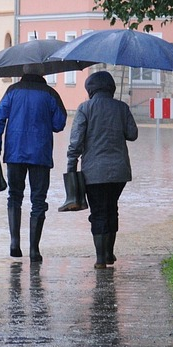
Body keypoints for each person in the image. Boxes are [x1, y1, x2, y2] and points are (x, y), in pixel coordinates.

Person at [0, 65, 67, 261]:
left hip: (15, 154)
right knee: (38, 201)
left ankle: (15, 242)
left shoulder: (12, 92)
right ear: (42, 73)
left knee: (14, 196)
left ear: (22, 72)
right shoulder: (50, 94)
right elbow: (59, 124)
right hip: (41, 154)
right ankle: (34, 249)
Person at [66, 70, 139, 269]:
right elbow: (132, 134)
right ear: (112, 88)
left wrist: (71, 166)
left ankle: (100, 258)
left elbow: (76, 142)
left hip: (93, 172)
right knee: (111, 208)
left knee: (98, 211)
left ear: (90, 89)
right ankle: (109, 253)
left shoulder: (84, 109)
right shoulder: (122, 108)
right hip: (119, 172)